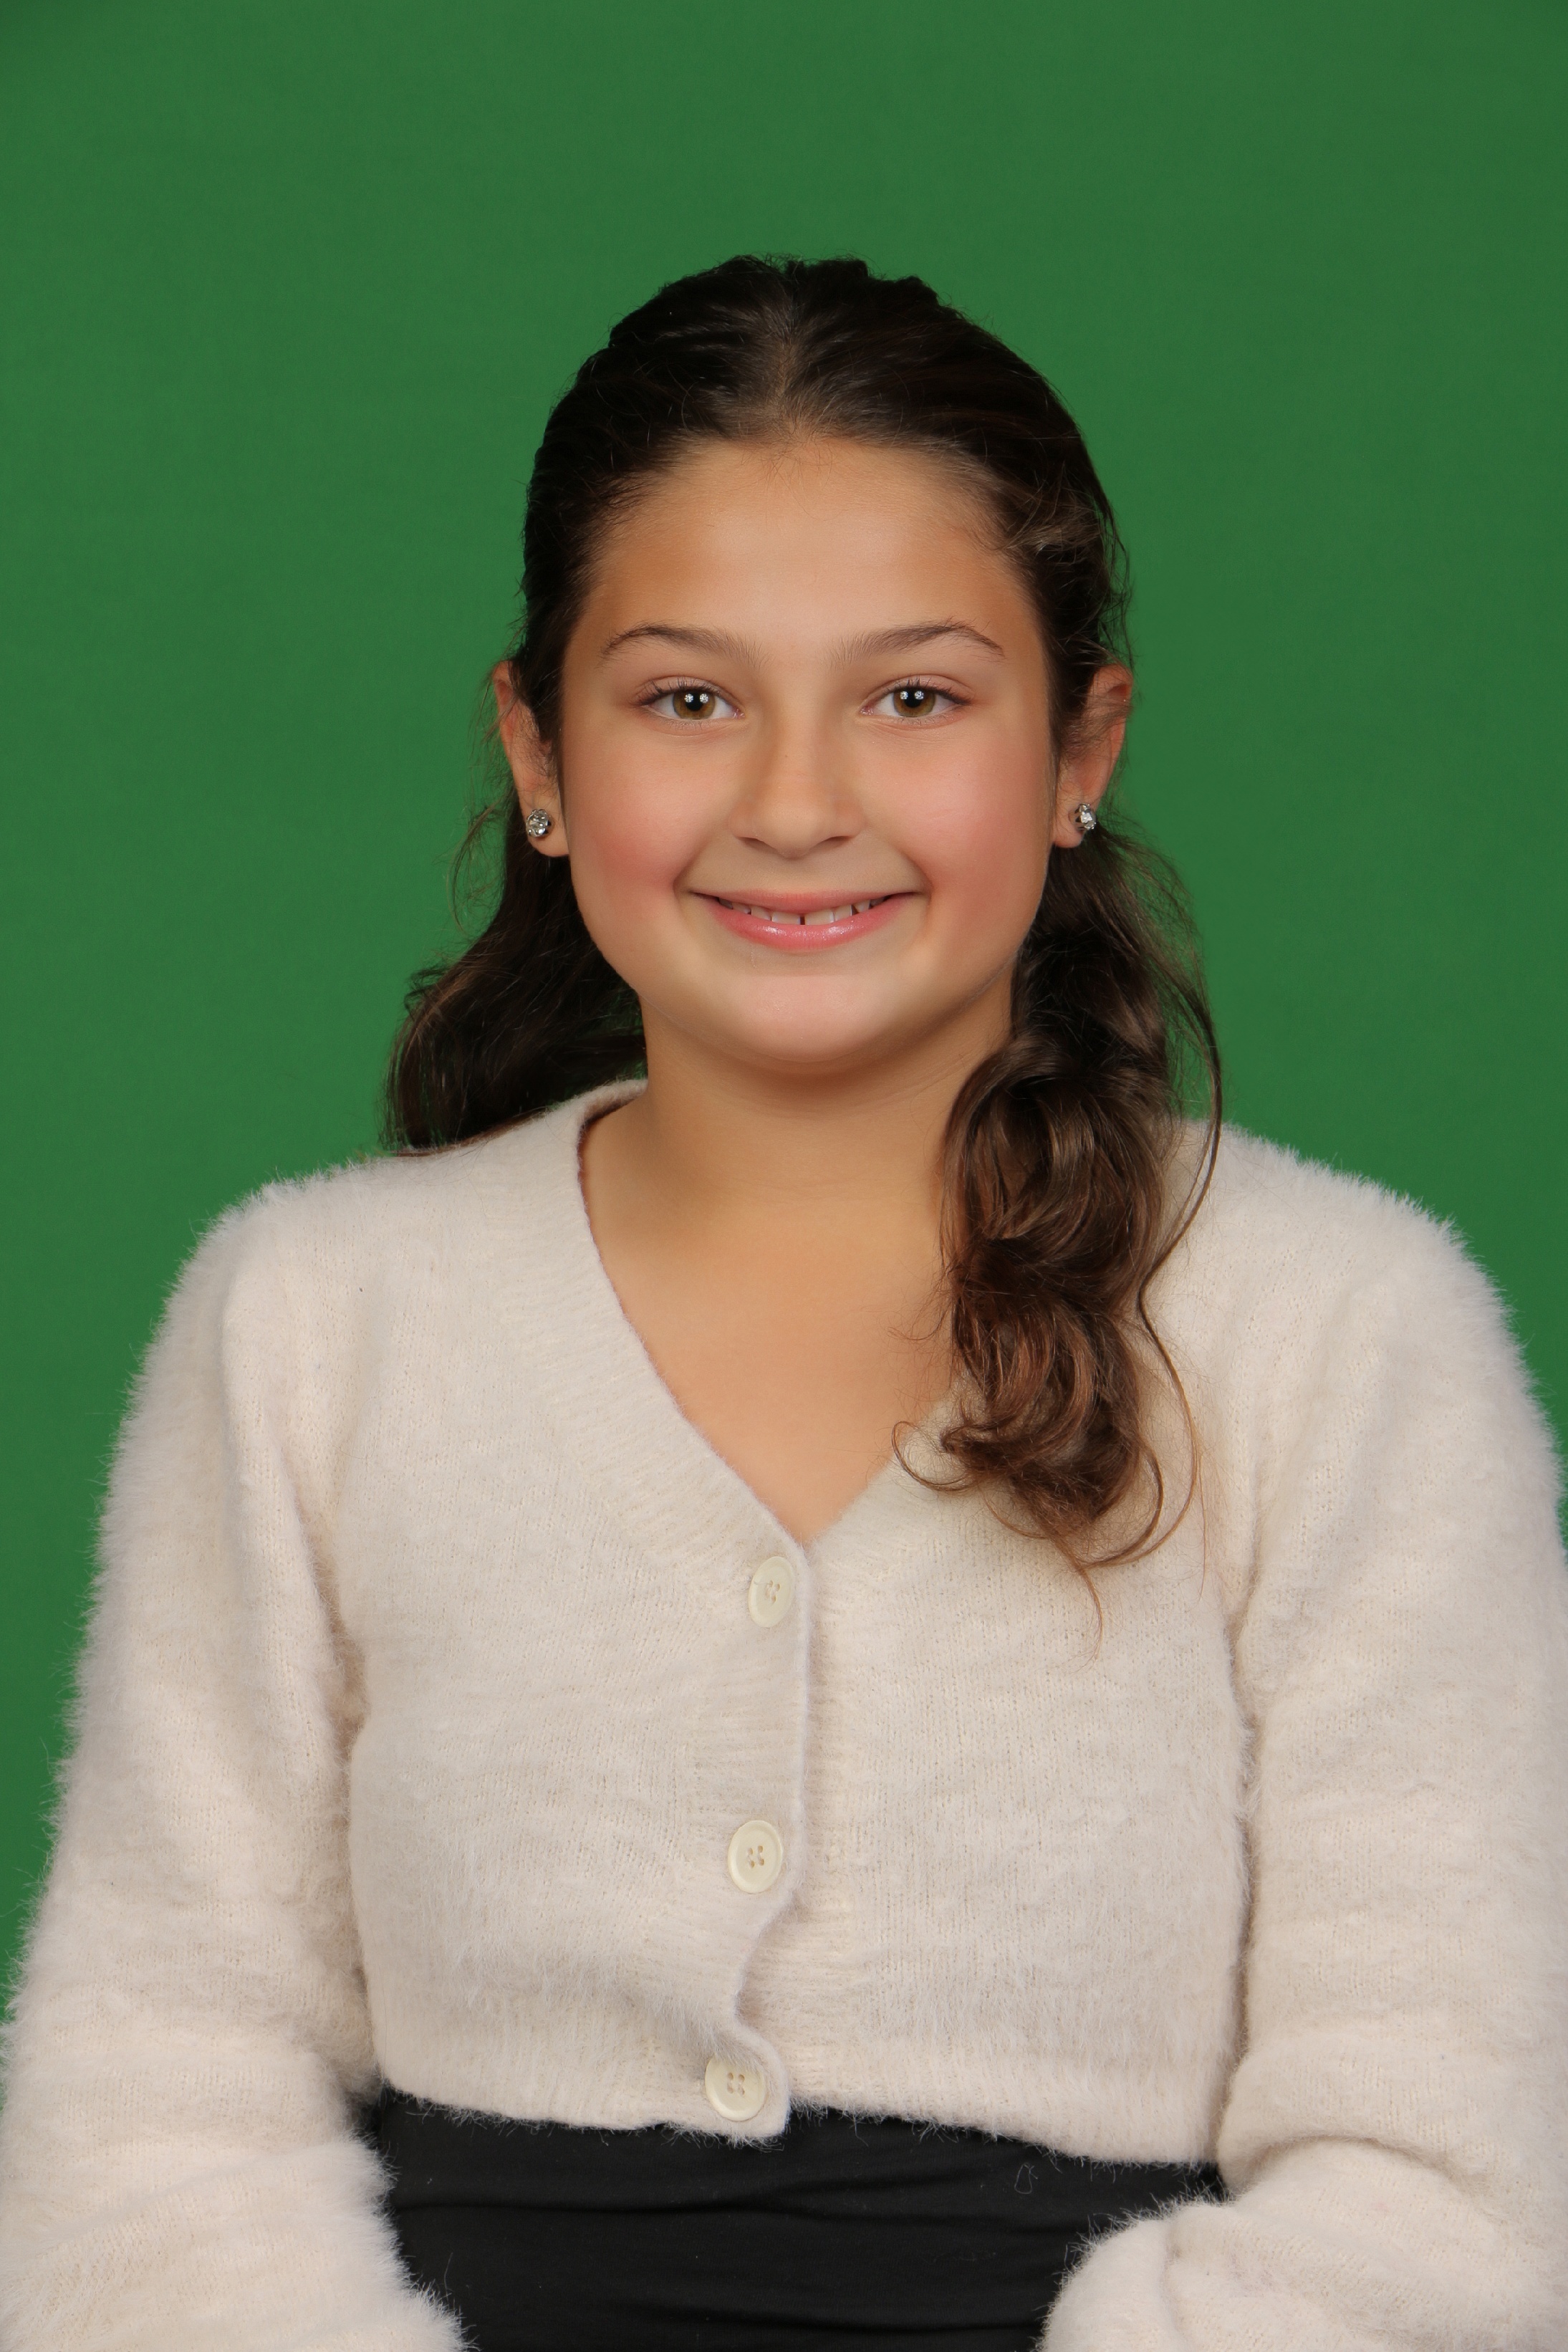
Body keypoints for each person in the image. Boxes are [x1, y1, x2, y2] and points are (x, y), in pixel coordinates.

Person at [0, 255, 1564, 2352]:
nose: (797, 801)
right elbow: (148, 2099)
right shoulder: (308, 1317)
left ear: (1081, 743)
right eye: (686, 699)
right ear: (539, 750)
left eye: (914, 698)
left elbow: (1453, 2194)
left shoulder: (1346, 1338)